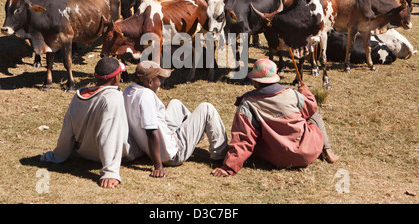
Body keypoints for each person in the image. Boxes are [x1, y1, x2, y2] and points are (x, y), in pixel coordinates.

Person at [211, 58, 339, 177]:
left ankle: (326, 150)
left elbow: (243, 139)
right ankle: (327, 150)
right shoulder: (292, 94)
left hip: (276, 158)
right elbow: (311, 108)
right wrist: (305, 92)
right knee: (314, 114)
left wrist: (228, 167)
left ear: (255, 81)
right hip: (309, 152)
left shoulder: (248, 105)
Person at [40, 57, 137, 189]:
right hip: (110, 154)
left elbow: (67, 130)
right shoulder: (113, 98)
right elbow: (109, 134)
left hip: (84, 153)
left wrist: (57, 155)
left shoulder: (79, 95)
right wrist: (110, 172)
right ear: (116, 77)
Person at [123, 61, 228, 178]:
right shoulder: (146, 96)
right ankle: (220, 155)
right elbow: (151, 132)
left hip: (156, 145)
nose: (161, 82)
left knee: (175, 103)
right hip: (172, 154)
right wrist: (158, 167)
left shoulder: (128, 91)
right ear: (150, 82)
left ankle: (197, 132)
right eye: (159, 78)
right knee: (207, 108)